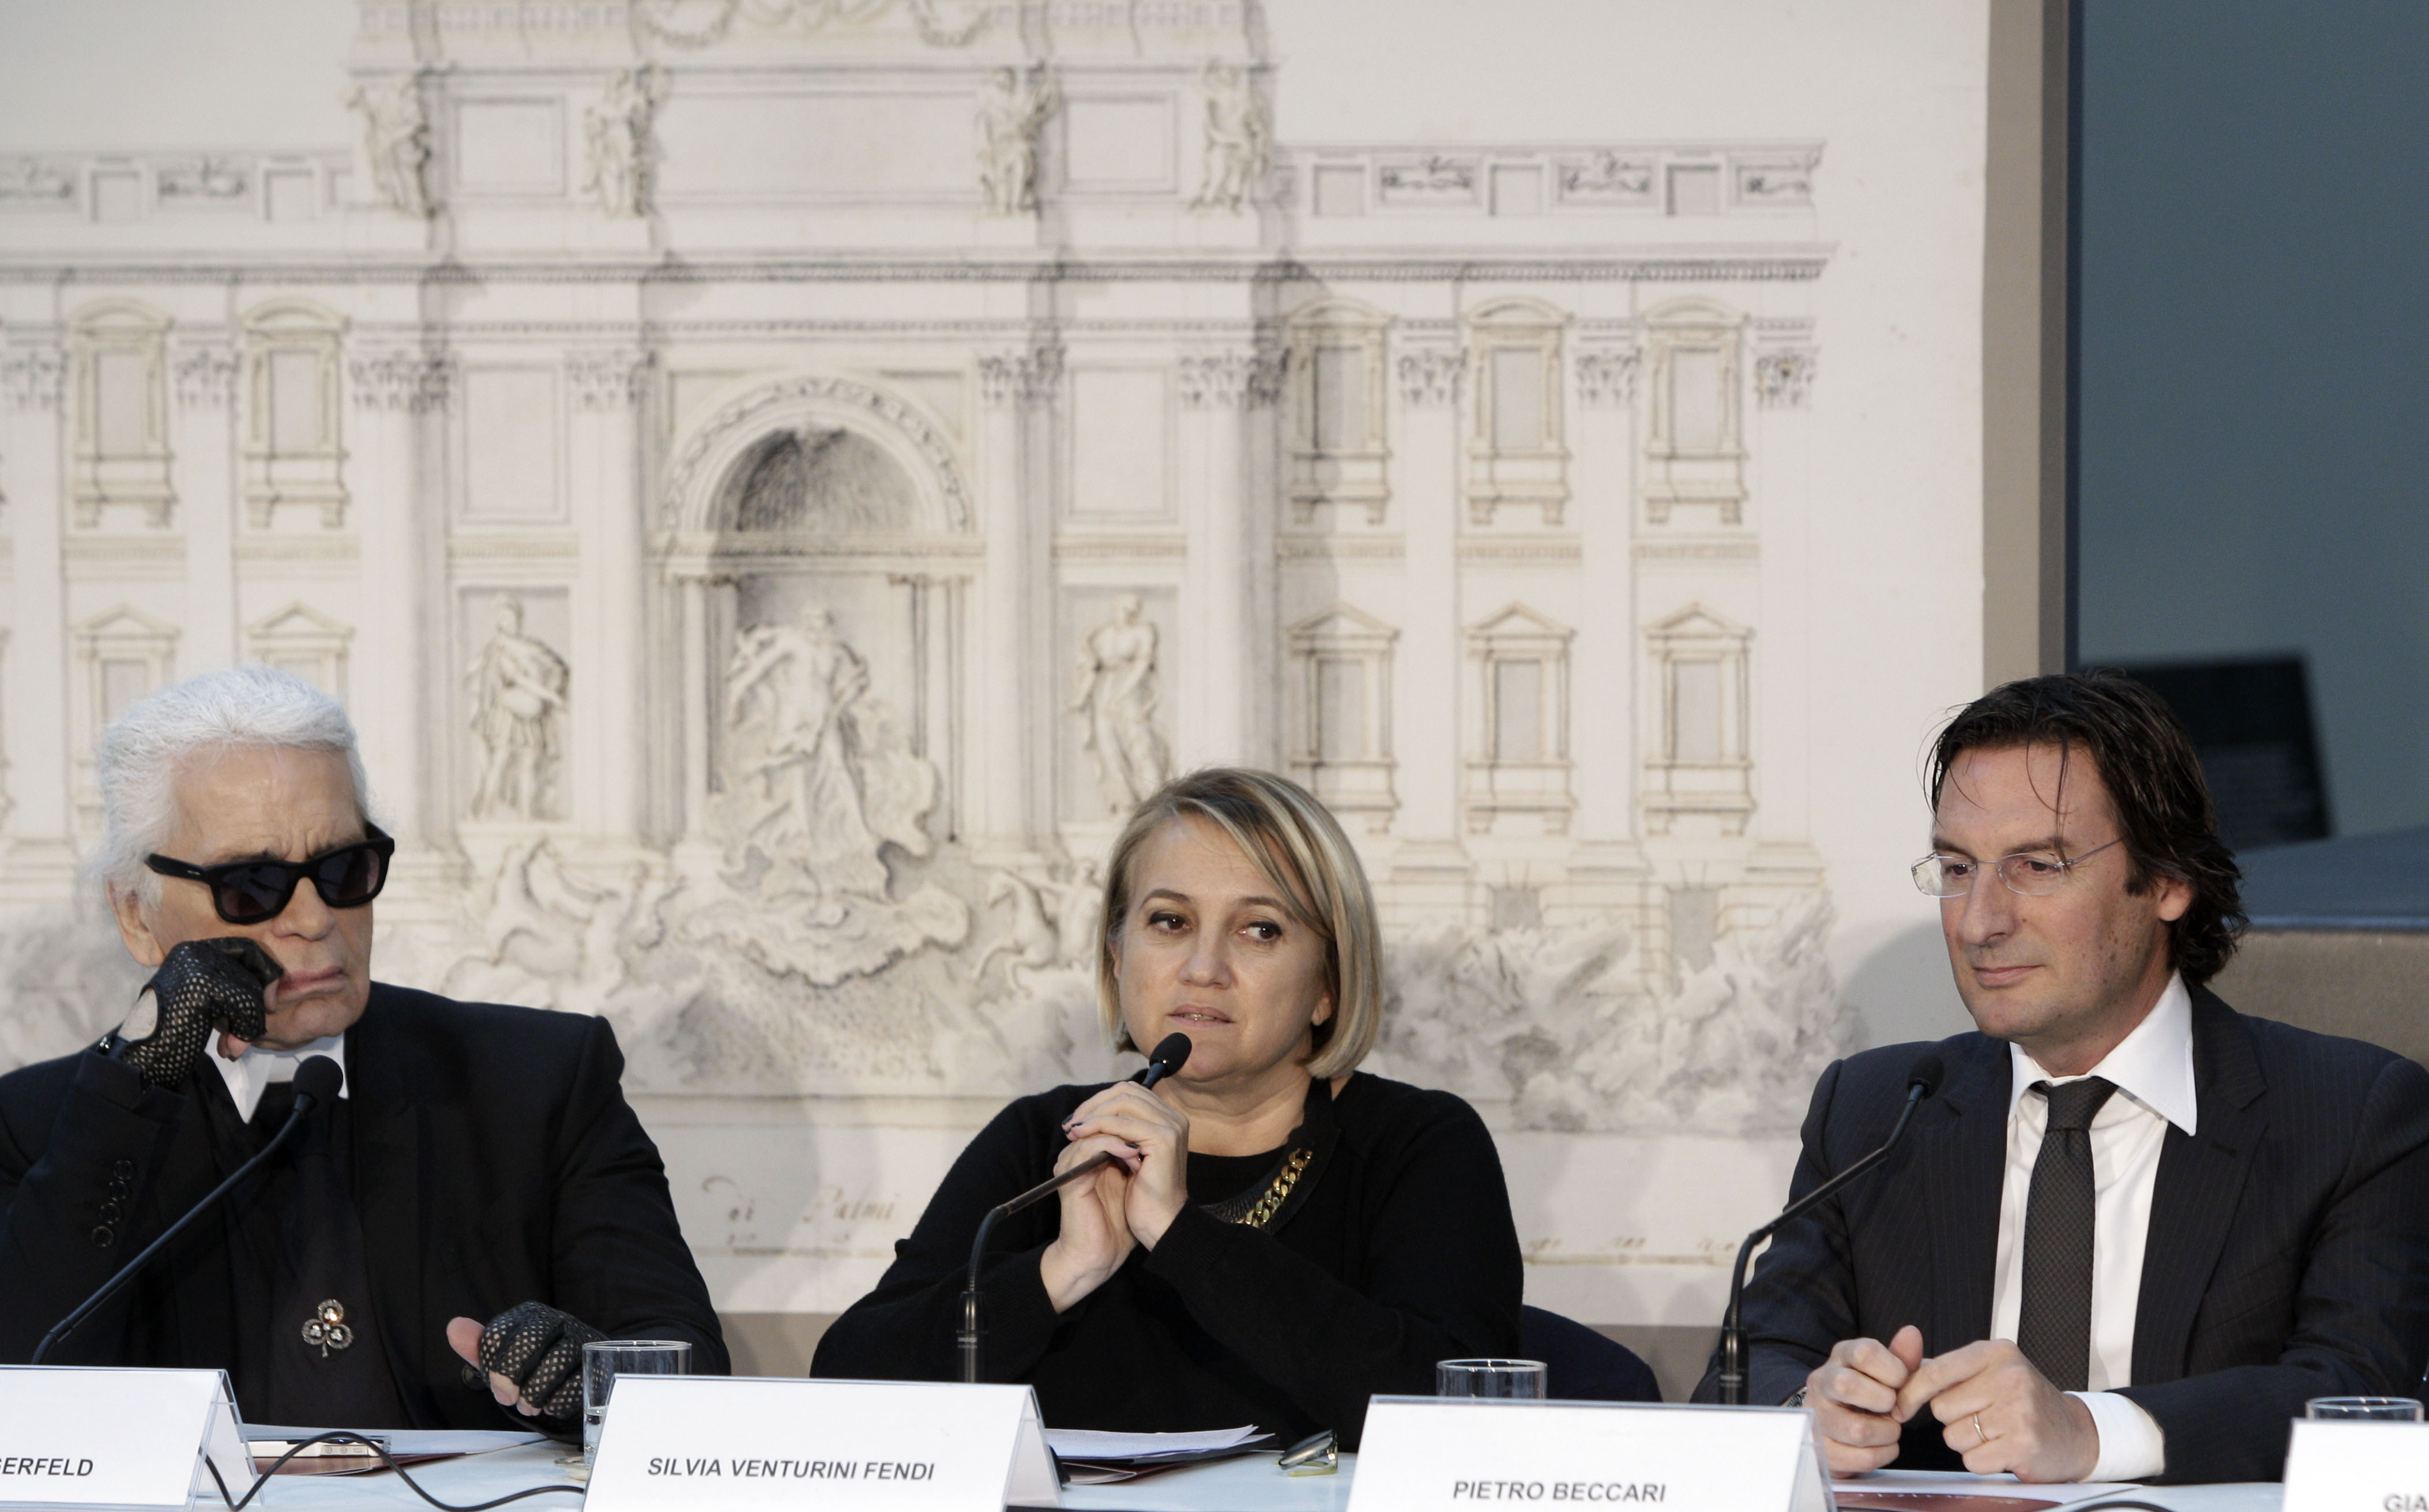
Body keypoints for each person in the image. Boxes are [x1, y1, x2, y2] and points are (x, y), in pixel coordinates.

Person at [1698, 671, 2429, 1483]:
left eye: (2038, 866)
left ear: (2168, 880)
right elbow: (1747, 1369)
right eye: (1957, 868)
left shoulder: (2350, 1115)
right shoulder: (1876, 1111)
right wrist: (1811, 1411)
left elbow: (2360, 1393)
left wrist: (2089, 1431)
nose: (1980, 922)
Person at [0, 666, 726, 1429]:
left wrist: (585, 1378)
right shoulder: (43, 1128)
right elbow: (19, 1388)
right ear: (136, 915)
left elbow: (685, 1367)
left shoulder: (540, 1081)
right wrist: (134, 1083)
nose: (315, 919)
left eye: (342, 869)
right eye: (252, 884)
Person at [813, 767, 1521, 1447]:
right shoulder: (1046, 1140)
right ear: (1119, 957)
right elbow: (847, 1385)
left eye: (1260, 929)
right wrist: (1063, 1269)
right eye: (1171, 921)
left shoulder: (1418, 1145)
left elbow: (1457, 1414)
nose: (1204, 968)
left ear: (1327, 984)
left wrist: (1182, 1235)